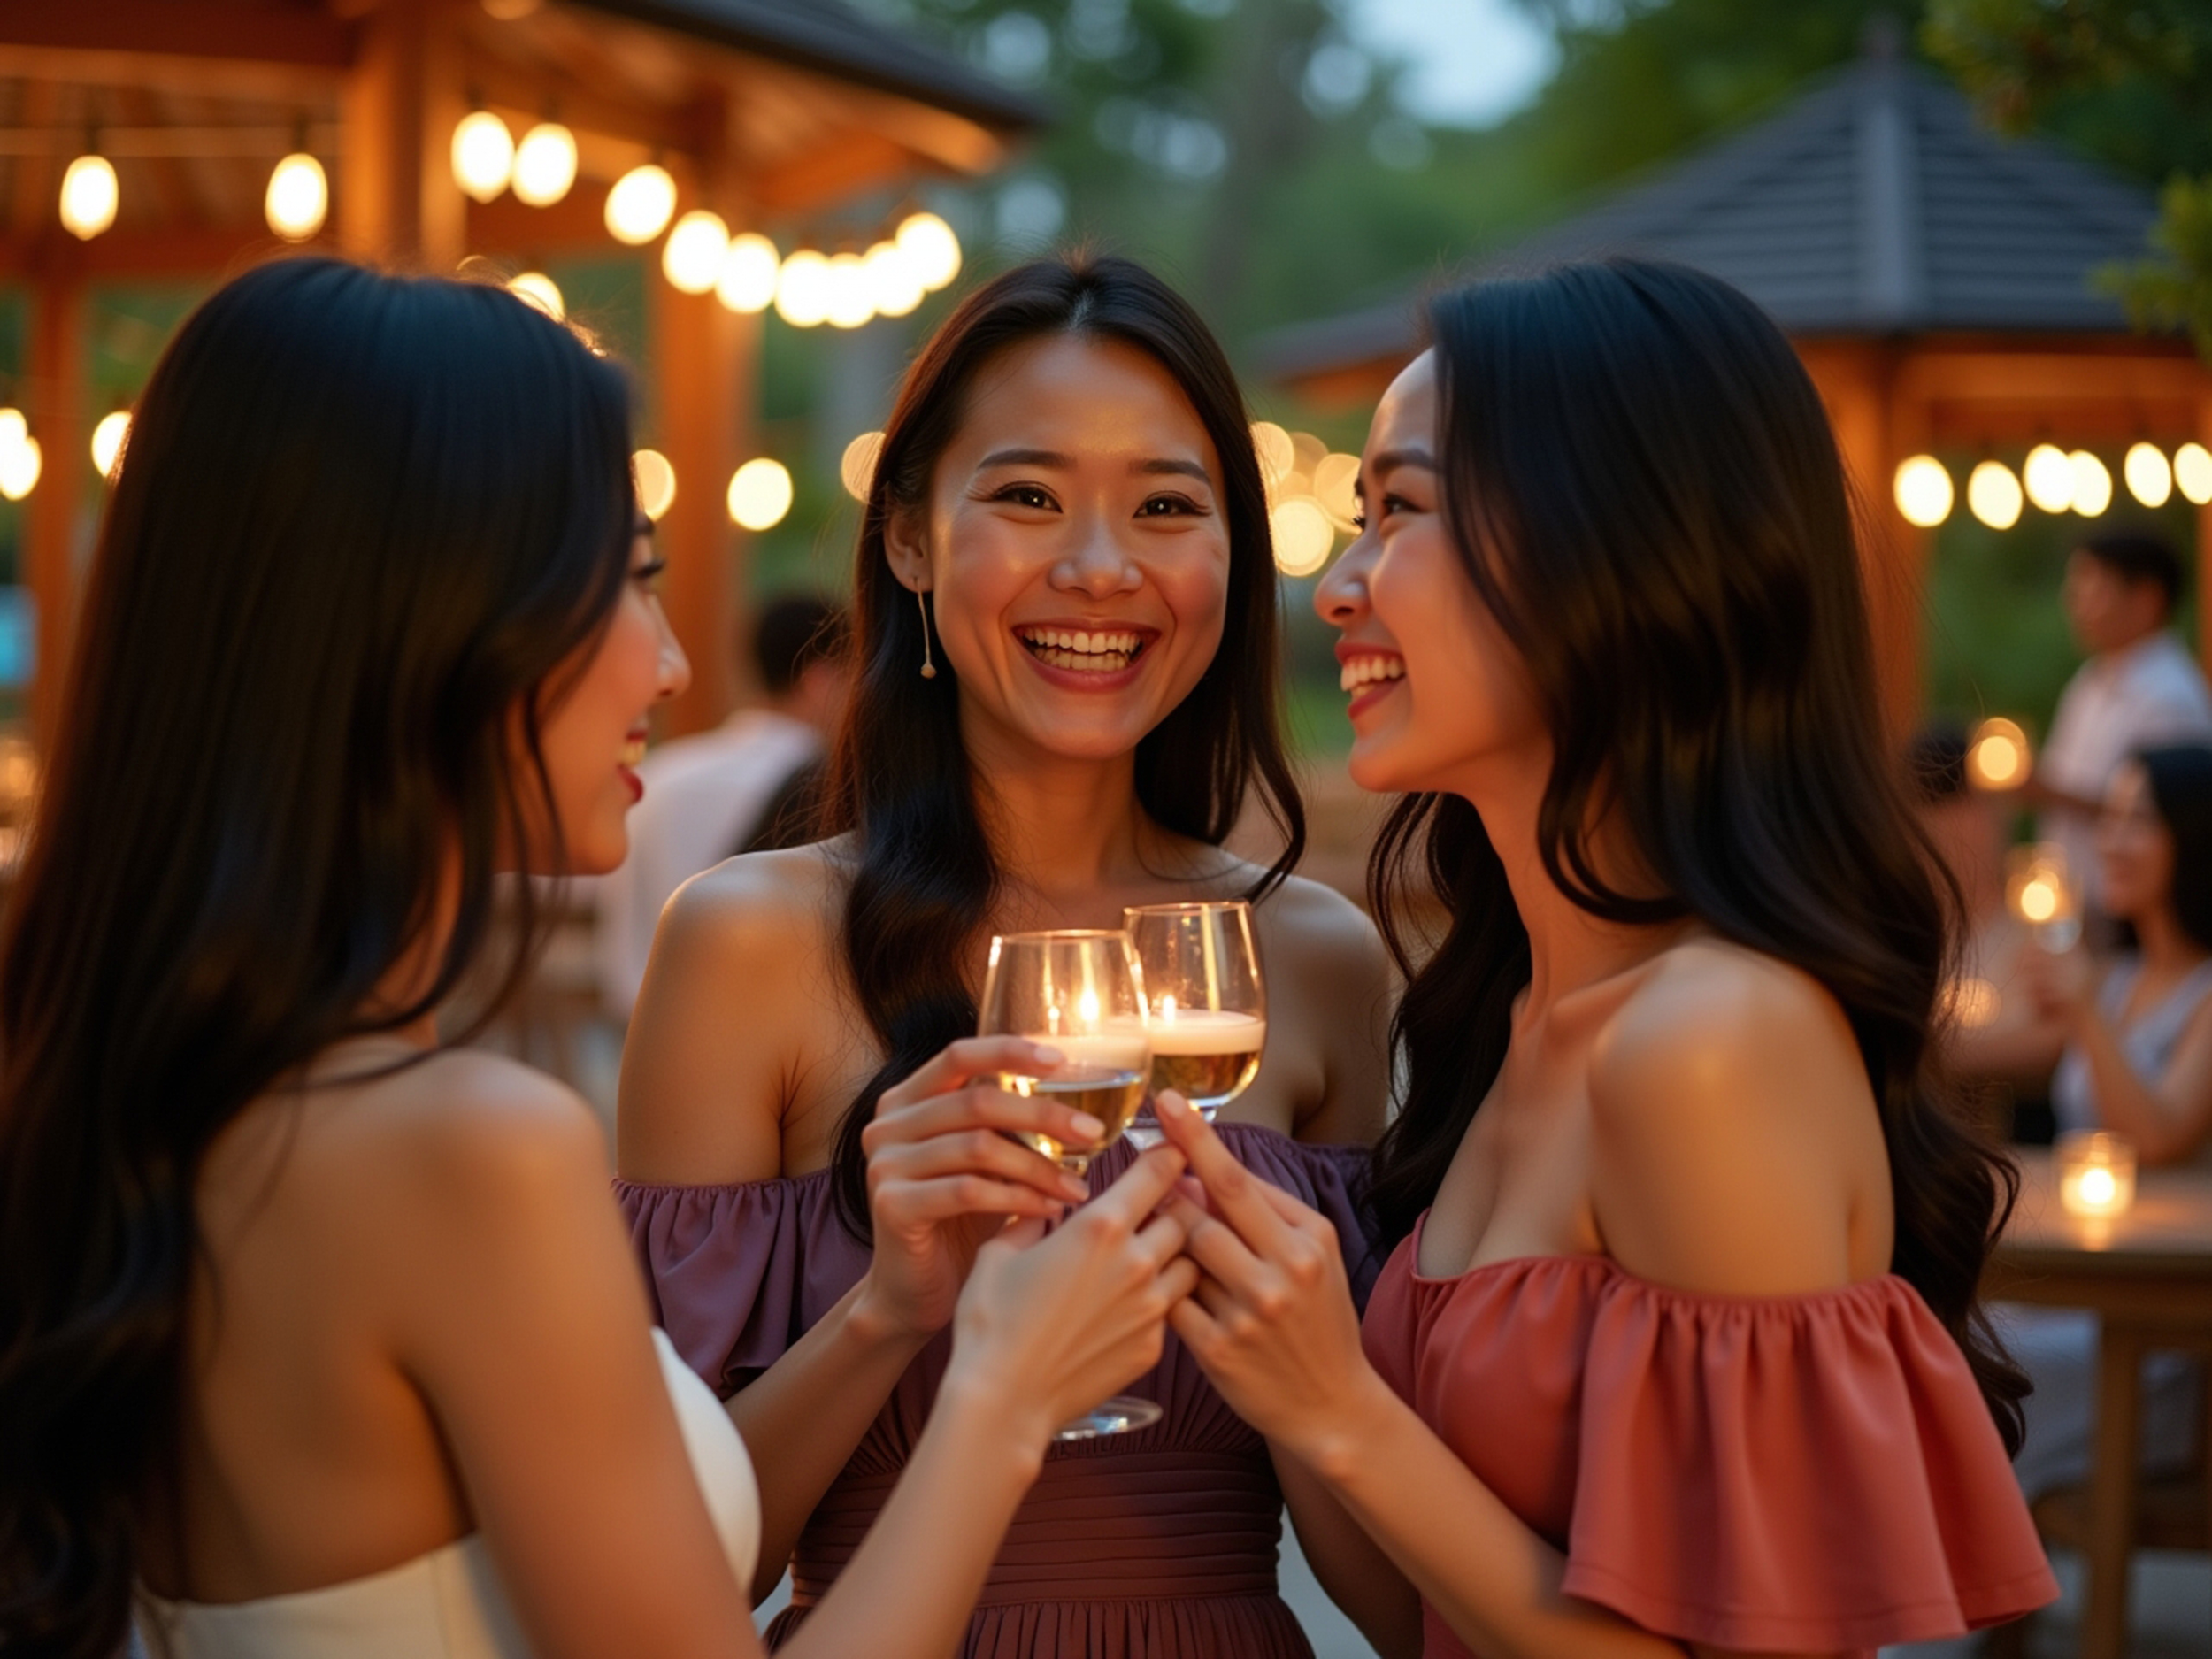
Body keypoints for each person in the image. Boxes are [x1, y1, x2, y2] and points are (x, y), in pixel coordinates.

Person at [0, 257, 1200, 1659]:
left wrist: (889, 1310)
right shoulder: (470, 1149)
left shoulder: (174, 1087)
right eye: (628, 585)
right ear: (425, 616)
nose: (675, 662)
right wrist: (999, 1388)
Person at [1145, 258, 2058, 1658]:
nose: (1338, 586)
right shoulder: (1509, 1018)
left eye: (1402, 510)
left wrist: (1336, 1400)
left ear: (1617, 548)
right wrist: (1281, 1368)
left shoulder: (1713, 1038)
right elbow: (1421, 1615)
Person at [617, 253, 1394, 1655]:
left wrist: (1306, 1370)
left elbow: (1386, 1599)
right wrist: (883, 1309)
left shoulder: (1318, 957)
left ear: (1233, 554)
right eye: (1028, 496)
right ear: (909, 538)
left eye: (1166, 506)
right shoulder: (749, 940)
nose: (1099, 567)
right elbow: (670, 1573)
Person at [2001, 743, 2212, 1502]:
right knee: (1931, 1330)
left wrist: (2084, 1009)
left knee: (1973, 1368)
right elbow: (2002, 1044)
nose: (2111, 842)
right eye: (2110, 820)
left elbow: (2157, 1135)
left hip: (2158, 1334)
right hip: (2084, 1286)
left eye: (2139, 822)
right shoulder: (2120, 977)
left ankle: (1933, 1611)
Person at [595, 593, 851, 1016]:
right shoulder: (820, 790)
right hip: (753, 1023)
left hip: (624, 1025)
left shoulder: (662, 770)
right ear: (819, 680)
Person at [2035, 529, 2212, 913]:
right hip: (2079, 901)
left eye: (2093, 589)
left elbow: (2169, 817)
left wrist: (2041, 788)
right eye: (2075, 590)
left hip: (2134, 911)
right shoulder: (2090, 680)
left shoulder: (2171, 695)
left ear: (2147, 599)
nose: (2076, 604)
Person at [1910, 724, 2062, 1115]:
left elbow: (2062, 1031)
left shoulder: (2040, 910)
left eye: (1974, 806)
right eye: (1937, 811)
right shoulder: (1907, 929)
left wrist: (1937, 1058)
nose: (1961, 828)